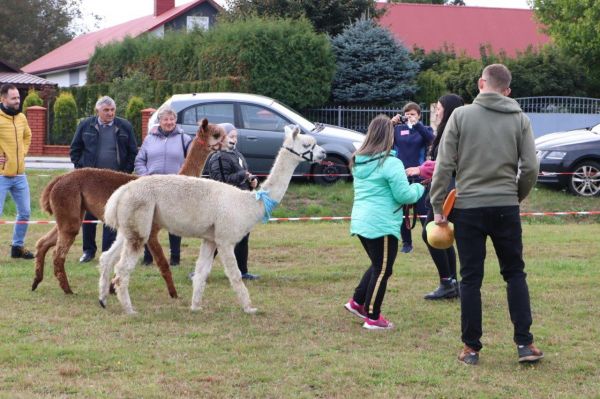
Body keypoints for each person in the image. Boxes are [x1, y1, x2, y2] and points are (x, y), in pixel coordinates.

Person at [429, 64, 543, 365]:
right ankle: (525, 345)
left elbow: (444, 165)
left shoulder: (461, 116)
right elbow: (531, 167)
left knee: (470, 279)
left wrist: (438, 205)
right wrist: (515, 195)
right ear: (507, 91)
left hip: (467, 208)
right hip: (505, 206)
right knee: (515, 273)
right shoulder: (520, 118)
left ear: (481, 83)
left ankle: (471, 349)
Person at [344, 114, 425, 330]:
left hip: (362, 221)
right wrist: (421, 187)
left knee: (377, 264)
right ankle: (373, 317)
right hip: (382, 224)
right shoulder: (391, 163)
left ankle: (357, 302)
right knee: (383, 269)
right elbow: (405, 196)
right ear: (389, 137)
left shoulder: (359, 161)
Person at [406, 94, 464, 300]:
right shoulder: (449, 130)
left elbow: (445, 164)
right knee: (443, 236)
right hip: (444, 189)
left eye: (439, 108)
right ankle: (452, 282)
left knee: (431, 235)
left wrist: (422, 171)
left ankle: (448, 282)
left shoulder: (452, 132)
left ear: (448, 110)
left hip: (445, 193)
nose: (436, 112)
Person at [70, 96, 138, 263]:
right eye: (106, 110)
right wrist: (82, 169)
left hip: (115, 180)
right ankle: (88, 251)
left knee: (112, 214)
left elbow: (132, 152)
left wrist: (124, 173)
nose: (110, 113)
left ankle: (108, 250)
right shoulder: (85, 125)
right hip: (91, 181)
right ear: (97, 111)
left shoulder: (124, 126)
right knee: (90, 215)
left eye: (112, 110)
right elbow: (75, 149)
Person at [135, 105, 192, 267]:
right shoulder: (149, 138)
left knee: (175, 223)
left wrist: (183, 179)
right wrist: (145, 176)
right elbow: (139, 160)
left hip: (175, 187)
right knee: (149, 223)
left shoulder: (185, 139)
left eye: (172, 119)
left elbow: (191, 161)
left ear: (176, 120)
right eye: (165, 119)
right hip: (152, 188)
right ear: (159, 121)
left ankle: (175, 258)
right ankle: (148, 257)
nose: (169, 122)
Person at [207, 123, 259, 280]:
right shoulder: (218, 157)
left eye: (236, 136)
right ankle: (200, 270)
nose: (234, 139)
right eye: (231, 136)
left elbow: (244, 174)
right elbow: (221, 181)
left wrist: (252, 180)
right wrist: (243, 175)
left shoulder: (236, 154)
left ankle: (242, 271)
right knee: (218, 241)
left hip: (241, 202)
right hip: (226, 204)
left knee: (243, 237)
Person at [391, 102, 434, 254]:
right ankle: (407, 243)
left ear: (419, 115)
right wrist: (390, 125)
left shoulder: (424, 129)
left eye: (413, 114)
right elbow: (383, 141)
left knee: (423, 210)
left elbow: (431, 140)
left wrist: (417, 125)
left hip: (420, 176)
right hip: (401, 175)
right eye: (407, 114)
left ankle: (431, 240)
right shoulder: (398, 129)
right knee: (403, 212)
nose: (410, 117)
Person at [0, 84, 34, 259]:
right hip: (1, 176)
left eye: (18, 98)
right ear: (3, 99)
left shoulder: (21, 117)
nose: (17, 101)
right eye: (13, 98)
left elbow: (28, 136)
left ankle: (17, 247)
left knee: (25, 212)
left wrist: (22, 153)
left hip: (20, 175)